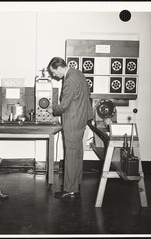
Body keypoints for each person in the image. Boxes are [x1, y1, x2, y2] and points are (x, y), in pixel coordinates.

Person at [47, 57, 93, 199]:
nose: (54, 75)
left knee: (71, 155)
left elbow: (64, 106)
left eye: (53, 72)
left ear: (59, 68)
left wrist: (51, 109)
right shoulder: (78, 73)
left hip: (73, 120)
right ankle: (76, 182)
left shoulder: (70, 80)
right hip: (81, 118)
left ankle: (70, 189)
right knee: (77, 152)